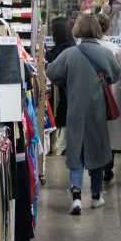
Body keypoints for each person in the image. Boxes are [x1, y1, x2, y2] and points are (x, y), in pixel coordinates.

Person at [45, 14, 121, 215]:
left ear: (77, 29)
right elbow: (115, 75)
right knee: (96, 150)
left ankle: (77, 196)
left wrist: (67, 81)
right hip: (97, 110)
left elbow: (51, 73)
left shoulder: (70, 53)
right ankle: (96, 196)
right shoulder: (105, 53)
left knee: (76, 151)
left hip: (75, 109)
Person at [95, 13, 121, 184]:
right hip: (112, 95)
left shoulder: (83, 48)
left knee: (95, 132)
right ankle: (108, 167)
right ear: (108, 28)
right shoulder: (116, 49)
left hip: (92, 95)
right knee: (110, 133)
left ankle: (96, 168)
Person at [46, 17, 75, 156]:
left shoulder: (64, 50)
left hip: (62, 93)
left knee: (62, 120)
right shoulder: (70, 47)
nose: (51, 34)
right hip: (67, 93)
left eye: (53, 31)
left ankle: (60, 146)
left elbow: (54, 69)